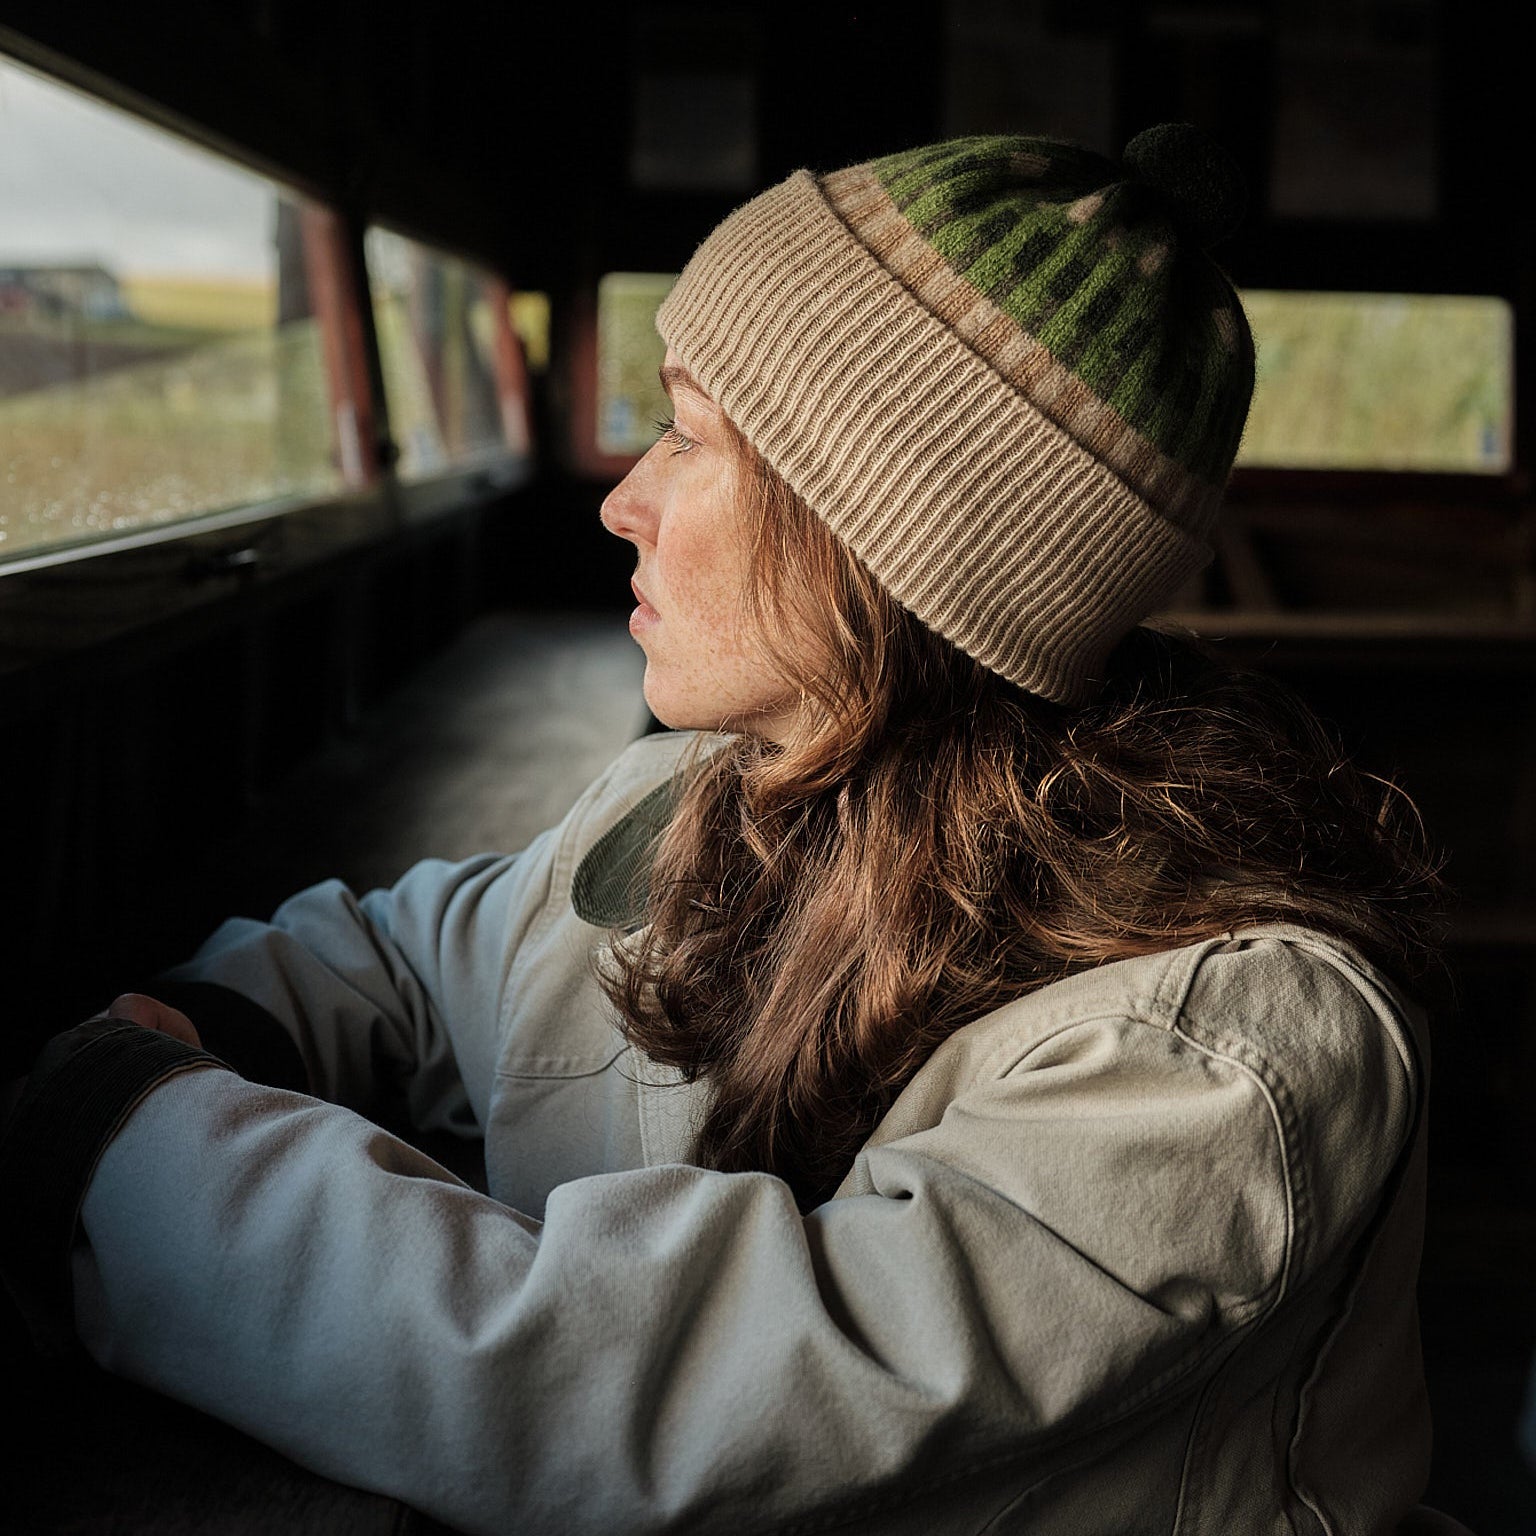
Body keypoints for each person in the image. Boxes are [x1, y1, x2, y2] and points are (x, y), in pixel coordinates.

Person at [1, 127, 1446, 1534]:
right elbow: (413, 959)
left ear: (889, 545)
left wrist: (116, 1130)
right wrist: (205, 1020)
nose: (624, 499)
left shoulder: (1217, 1058)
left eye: (689, 434)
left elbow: (626, 1396)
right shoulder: (695, 798)